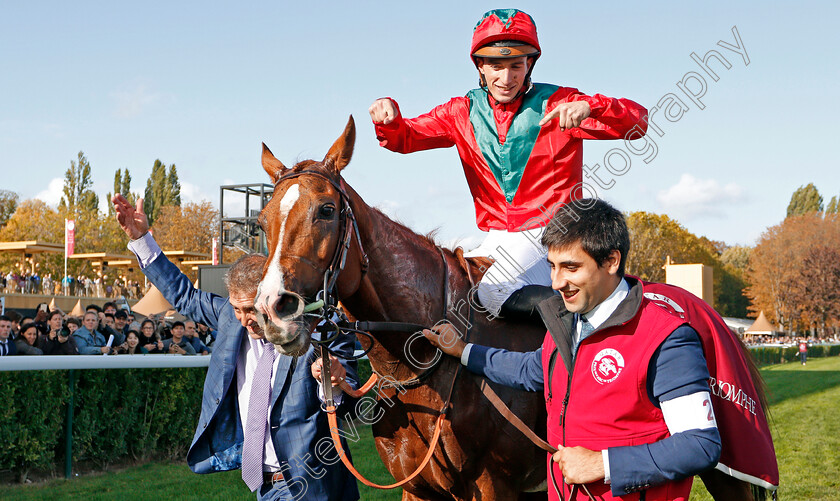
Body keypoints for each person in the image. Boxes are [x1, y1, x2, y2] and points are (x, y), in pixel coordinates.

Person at [425, 199, 720, 500]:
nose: (555, 282)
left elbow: (700, 445)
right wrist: (462, 350)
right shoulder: (565, 323)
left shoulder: (666, 337)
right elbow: (530, 370)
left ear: (611, 261)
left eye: (571, 267)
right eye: (552, 267)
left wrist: (603, 464)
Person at [370, 9, 648, 320]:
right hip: (501, 234)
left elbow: (638, 123)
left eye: (516, 66)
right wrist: (390, 118)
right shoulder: (460, 112)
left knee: (490, 290)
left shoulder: (561, 103)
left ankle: (584, 323)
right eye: (496, 67)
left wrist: (592, 106)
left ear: (530, 65)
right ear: (480, 66)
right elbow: (405, 138)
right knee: (456, 288)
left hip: (556, 230)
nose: (506, 78)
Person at [113, 194, 361, 500]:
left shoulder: (321, 329)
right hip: (265, 486)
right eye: (236, 309)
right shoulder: (229, 317)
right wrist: (141, 240)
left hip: (315, 486)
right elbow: (183, 295)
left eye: (251, 309)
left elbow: (352, 407)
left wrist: (334, 383)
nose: (243, 320)